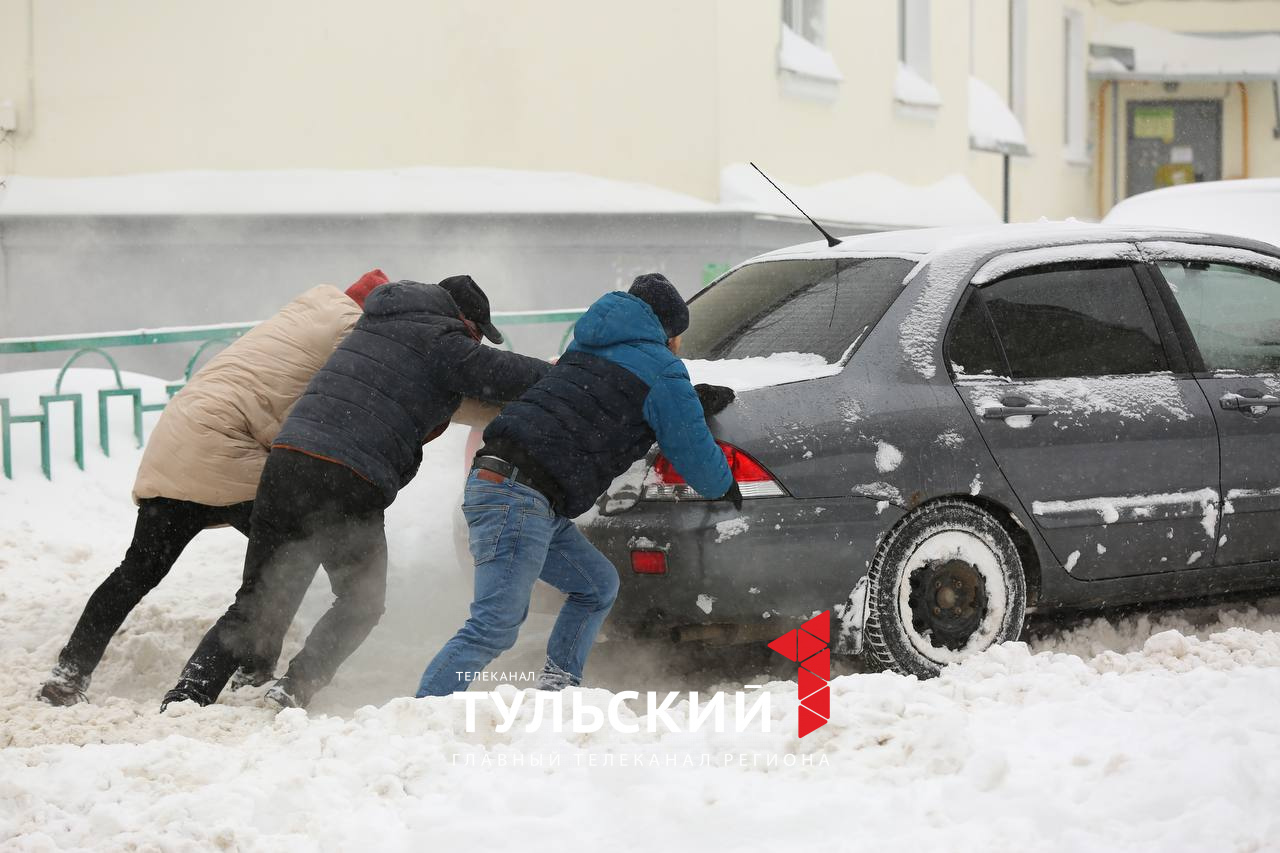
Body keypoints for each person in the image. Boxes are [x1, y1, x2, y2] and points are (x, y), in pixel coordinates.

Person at [162, 275, 550, 711]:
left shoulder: (372, 324)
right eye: (477, 334)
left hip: (287, 461)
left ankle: (188, 694)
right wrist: (577, 376)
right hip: (348, 476)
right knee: (362, 602)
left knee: (258, 596)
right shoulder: (443, 341)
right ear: (462, 319)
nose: (475, 343)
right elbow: (517, 376)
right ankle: (295, 686)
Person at [37, 269, 390, 706]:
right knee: (284, 563)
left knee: (137, 570)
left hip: (177, 441)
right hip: (229, 450)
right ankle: (250, 672)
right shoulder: (352, 335)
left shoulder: (302, 313)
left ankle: (69, 672)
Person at [416, 273, 739, 697]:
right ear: (669, 330)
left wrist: (688, 399)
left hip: (512, 487)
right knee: (494, 626)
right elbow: (694, 455)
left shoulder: (583, 348)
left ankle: (558, 691)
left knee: (595, 586)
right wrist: (724, 485)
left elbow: (608, 401)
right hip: (519, 496)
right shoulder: (662, 368)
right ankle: (421, 713)